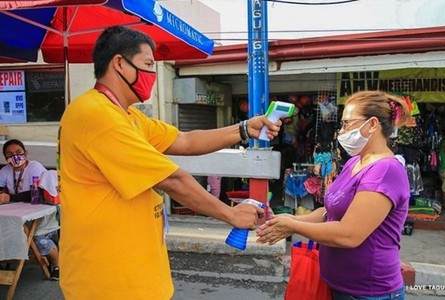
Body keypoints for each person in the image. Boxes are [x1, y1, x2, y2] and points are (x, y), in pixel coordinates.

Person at [57, 25, 281, 300]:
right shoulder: (95, 115)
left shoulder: (130, 117)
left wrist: (245, 128)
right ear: (119, 64)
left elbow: (186, 140)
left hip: (138, 273)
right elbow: (173, 180)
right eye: (148, 64)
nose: (152, 75)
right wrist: (231, 214)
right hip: (107, 281)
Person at [256, 91, 411, 300]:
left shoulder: (384, 170)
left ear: (373, 124)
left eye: (347, 124)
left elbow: (349, 234)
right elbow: (329, 212)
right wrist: (288, 219)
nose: (341, 132)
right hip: (335, 284)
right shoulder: (355, 162)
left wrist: (293, 227)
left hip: (368, 292)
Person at [0, 139, 60, 280]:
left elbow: (37, 193)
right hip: (18, 211)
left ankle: (57, 264)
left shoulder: (35, 167)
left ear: (26, 153)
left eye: (18, 152)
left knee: (38, 238)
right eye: (9, 154)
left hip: (42, 209)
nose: (14, 157)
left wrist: (10, 198)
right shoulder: (5, 171)